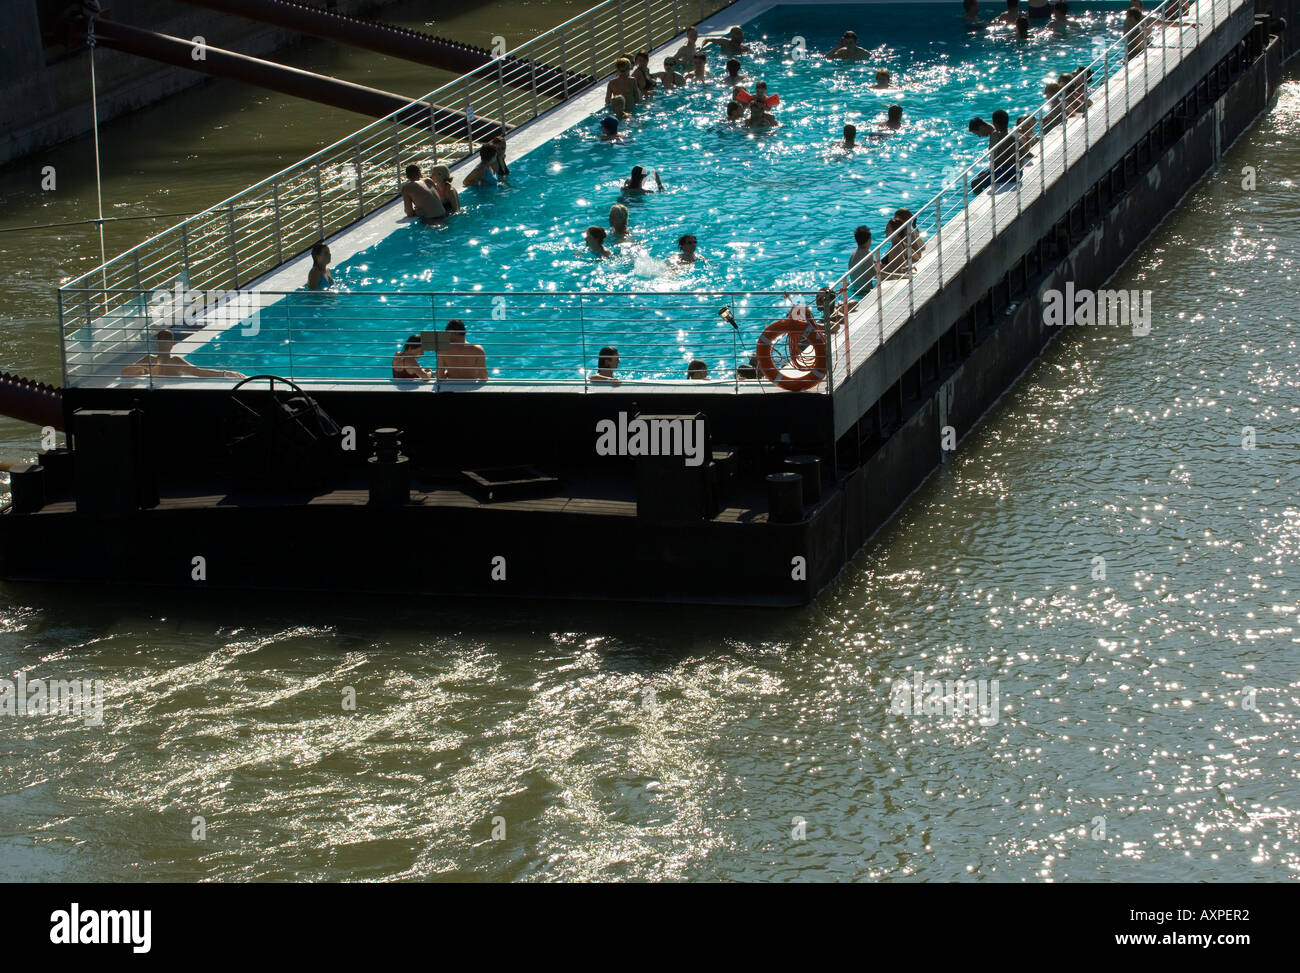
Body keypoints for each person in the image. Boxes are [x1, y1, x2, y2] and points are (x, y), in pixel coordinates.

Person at [122, 329, 243, 379]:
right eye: (162, 342)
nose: (164, 345)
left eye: (166, 342)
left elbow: (199, 372)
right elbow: (124, 373)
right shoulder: (149, 360)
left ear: (171, 344)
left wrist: (225, 373)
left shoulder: (176, 361)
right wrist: (141, 369)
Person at [848, 225, 875, 295]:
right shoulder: (867, 254)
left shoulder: (853, 254)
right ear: (869, 239)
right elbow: (876, 274)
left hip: (855, 291)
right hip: (866, 292)